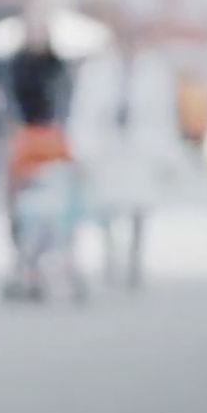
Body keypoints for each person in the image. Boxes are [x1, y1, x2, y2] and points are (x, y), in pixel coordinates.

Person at [67, 21, 185, 290]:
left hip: (141, 146)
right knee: (107, 206)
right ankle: (111, 256)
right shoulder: (96, 70)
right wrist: (81, 149)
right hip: (107, 146)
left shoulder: (154, 71)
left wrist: (168, 154)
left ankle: (134, 259)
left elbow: (165, 114)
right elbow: (83, 110)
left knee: (139, 207)